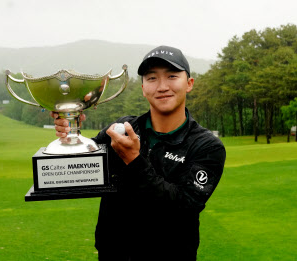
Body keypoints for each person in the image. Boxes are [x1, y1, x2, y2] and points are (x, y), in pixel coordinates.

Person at [52, 46, 226, 260]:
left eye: (172, 76)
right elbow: (82, 170)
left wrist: (134, 161)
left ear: (189, 84)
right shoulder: (121, 129)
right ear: (143, 87)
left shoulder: (206, 146)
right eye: (152, 78)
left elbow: (183, 207)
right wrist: (71, 130)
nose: (162, 86)